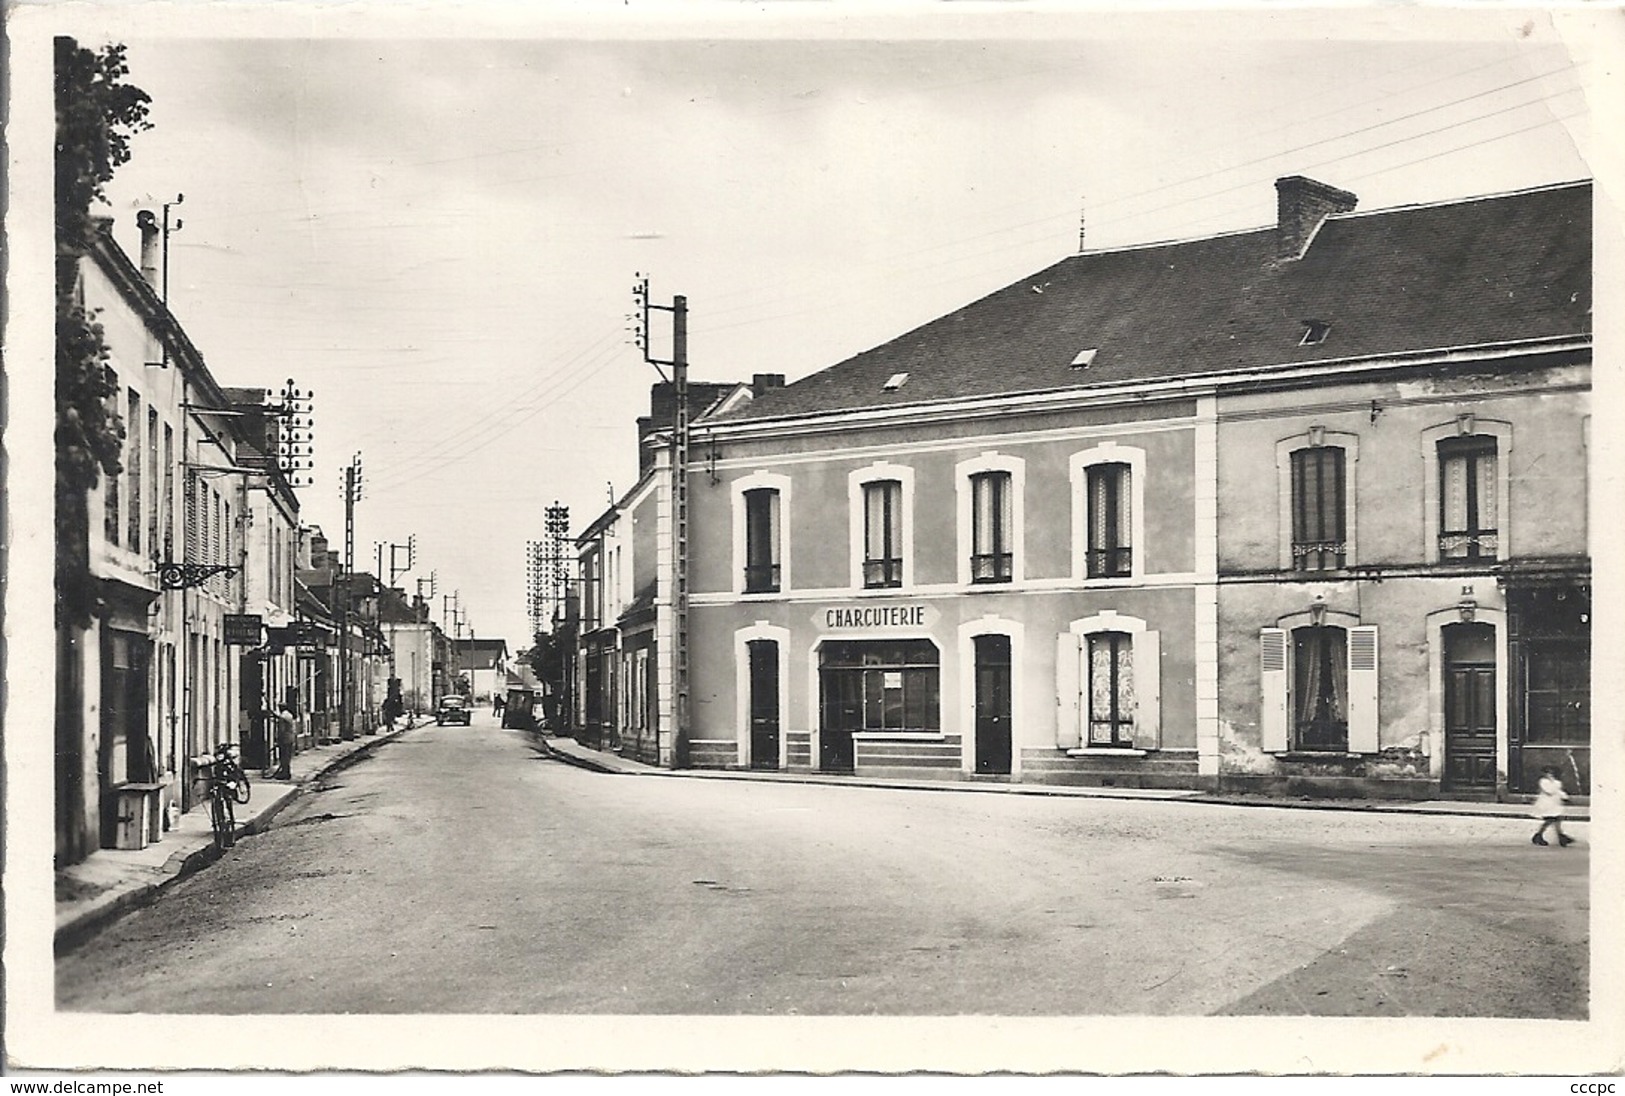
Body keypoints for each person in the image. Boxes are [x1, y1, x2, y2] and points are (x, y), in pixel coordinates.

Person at [1531, 765, 1574, 847]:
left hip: (1555, 804)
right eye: (1548, 773)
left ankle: (1542, 835)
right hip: (1546, 804)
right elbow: (1549, 791)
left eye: (1551, 773)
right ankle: (1559, 836)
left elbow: (1558, 791)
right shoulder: (1543, 782)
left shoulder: (1557, 782)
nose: (1550, 774)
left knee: (1555, 819)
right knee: (1551, 819)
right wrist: (1554, 785)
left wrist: (1565, 797)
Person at [272, 704, 298, 780]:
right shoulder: (289, 715)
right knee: (287, 757)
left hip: (284, 739)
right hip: (290, 738)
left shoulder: (282, 717)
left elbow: (281, 730)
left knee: (283, 757)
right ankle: (287, 772)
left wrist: (277, 739)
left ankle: (284, 773)